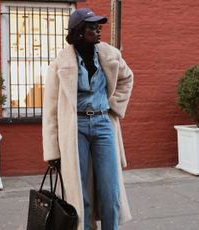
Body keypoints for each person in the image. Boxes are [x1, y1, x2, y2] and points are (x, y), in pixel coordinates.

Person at [42, 8, 134, 230]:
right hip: (76, 127)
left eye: (99, 26)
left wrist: (112, 106)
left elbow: (127, 79)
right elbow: (51, 109)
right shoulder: (60, 63)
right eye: (93, 26)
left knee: (110, 190)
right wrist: (52, 151)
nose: (98, 30)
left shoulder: (109, 55)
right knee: (78, 190)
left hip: (103, 124)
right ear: (79, 31)